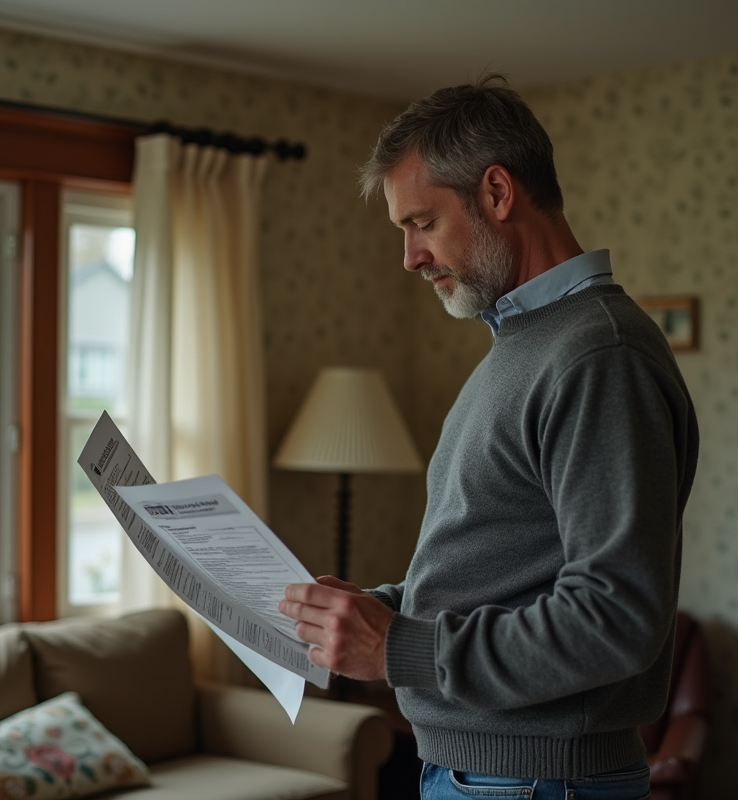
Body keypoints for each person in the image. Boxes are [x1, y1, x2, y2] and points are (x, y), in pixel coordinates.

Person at [279, 75, 699, 800]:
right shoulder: (524, 347)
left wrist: (398, 646)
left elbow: (615, 616)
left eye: (421, 223)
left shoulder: (598, 356)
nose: (409, 258)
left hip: (534, 780)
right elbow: (500, 567)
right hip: (491, 773)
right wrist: (375, 610)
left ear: (497, 194)